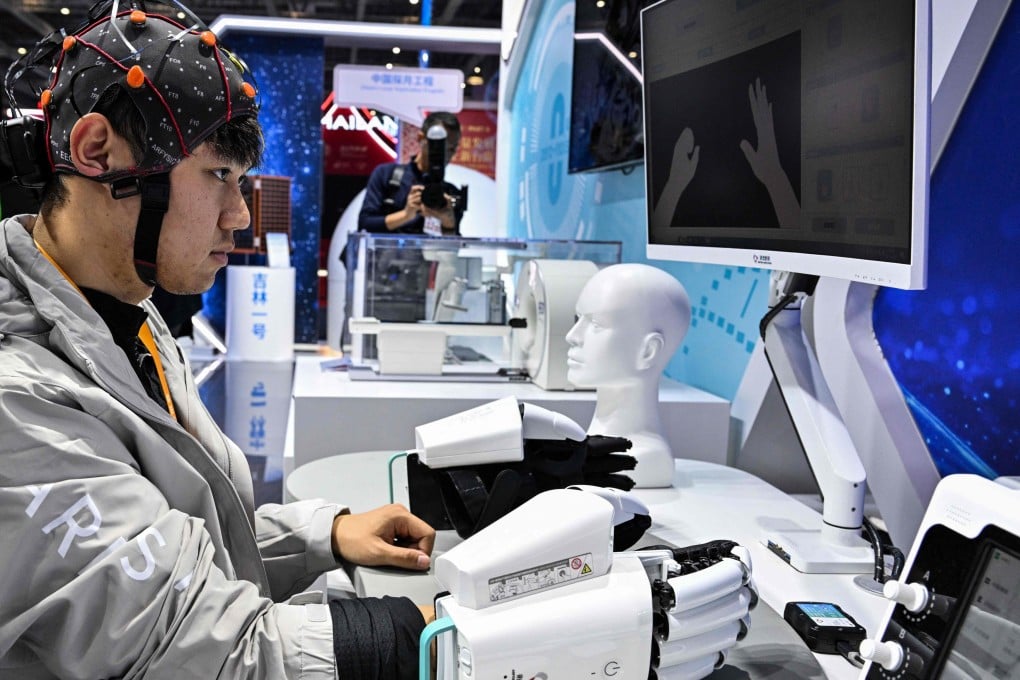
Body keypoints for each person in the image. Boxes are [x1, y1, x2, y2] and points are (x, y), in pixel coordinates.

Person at [0, 5, 435, 678]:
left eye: (242, 181)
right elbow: (204, 651)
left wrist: (322, 534)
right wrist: (426, 635)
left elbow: (170, 533)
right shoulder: (18, 403)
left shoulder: (129, 317)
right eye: (218, 176)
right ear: (97, 152)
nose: (239, 216)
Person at [564, 263, 692, 488]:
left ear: (648, 351)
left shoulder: (647, 460)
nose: (572, 336)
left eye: (596, 323)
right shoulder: (591, 445)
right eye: (578, 319)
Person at [357, 110, 465, 237]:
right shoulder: (386, 175)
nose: (445, 153)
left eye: (451, 148)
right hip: (386, 251)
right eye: (439, 145)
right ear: (421, 138)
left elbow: (453, 248)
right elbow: (365, 224)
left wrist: (448, 223)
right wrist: (406, 215)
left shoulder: (450, 194)